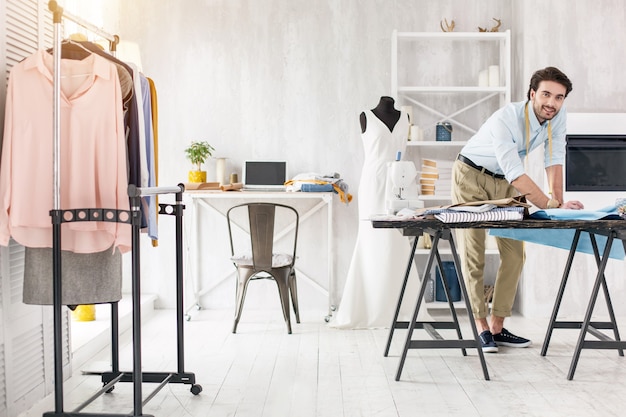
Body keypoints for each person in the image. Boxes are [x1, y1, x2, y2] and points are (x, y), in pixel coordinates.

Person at [452, 67, 584, 352]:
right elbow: (516, 172)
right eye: (546, 94)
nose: (552, 103)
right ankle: (481, 327)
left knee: (515, 254)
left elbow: (554, 157)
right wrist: (549, 204)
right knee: (474, 253)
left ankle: (498, 328)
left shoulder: (557, 118)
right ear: (532, 93)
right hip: (472, 176)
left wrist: (558, 204)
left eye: (559, 97)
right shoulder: (506, 118)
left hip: (507, 182)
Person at [330, 96, 419, 329]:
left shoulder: (405, 118)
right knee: (371, 241)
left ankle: (399, 307)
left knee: (397, 242)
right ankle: (369, 307)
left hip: (398, 181)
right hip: (373, 183)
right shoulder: (366, 117)